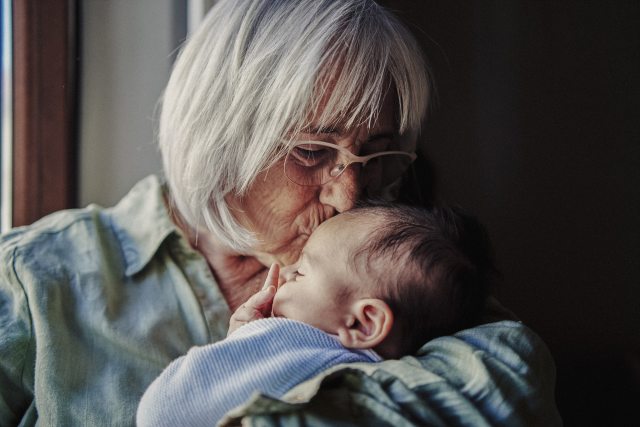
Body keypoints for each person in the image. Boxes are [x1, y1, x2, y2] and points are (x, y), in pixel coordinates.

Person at [0, 0, 561, 425]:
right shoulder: (36, 279)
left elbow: (510, 382)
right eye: (312, 152)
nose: (350, 196)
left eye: (374, 154)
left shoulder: (402, 269)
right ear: (217, 138)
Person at [136, 203, 494, 426]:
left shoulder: (285, 342)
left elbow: (163, 412)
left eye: (303, 271)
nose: (286, 271)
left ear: (363, 322)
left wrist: (243, 341)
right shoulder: (399, 380)